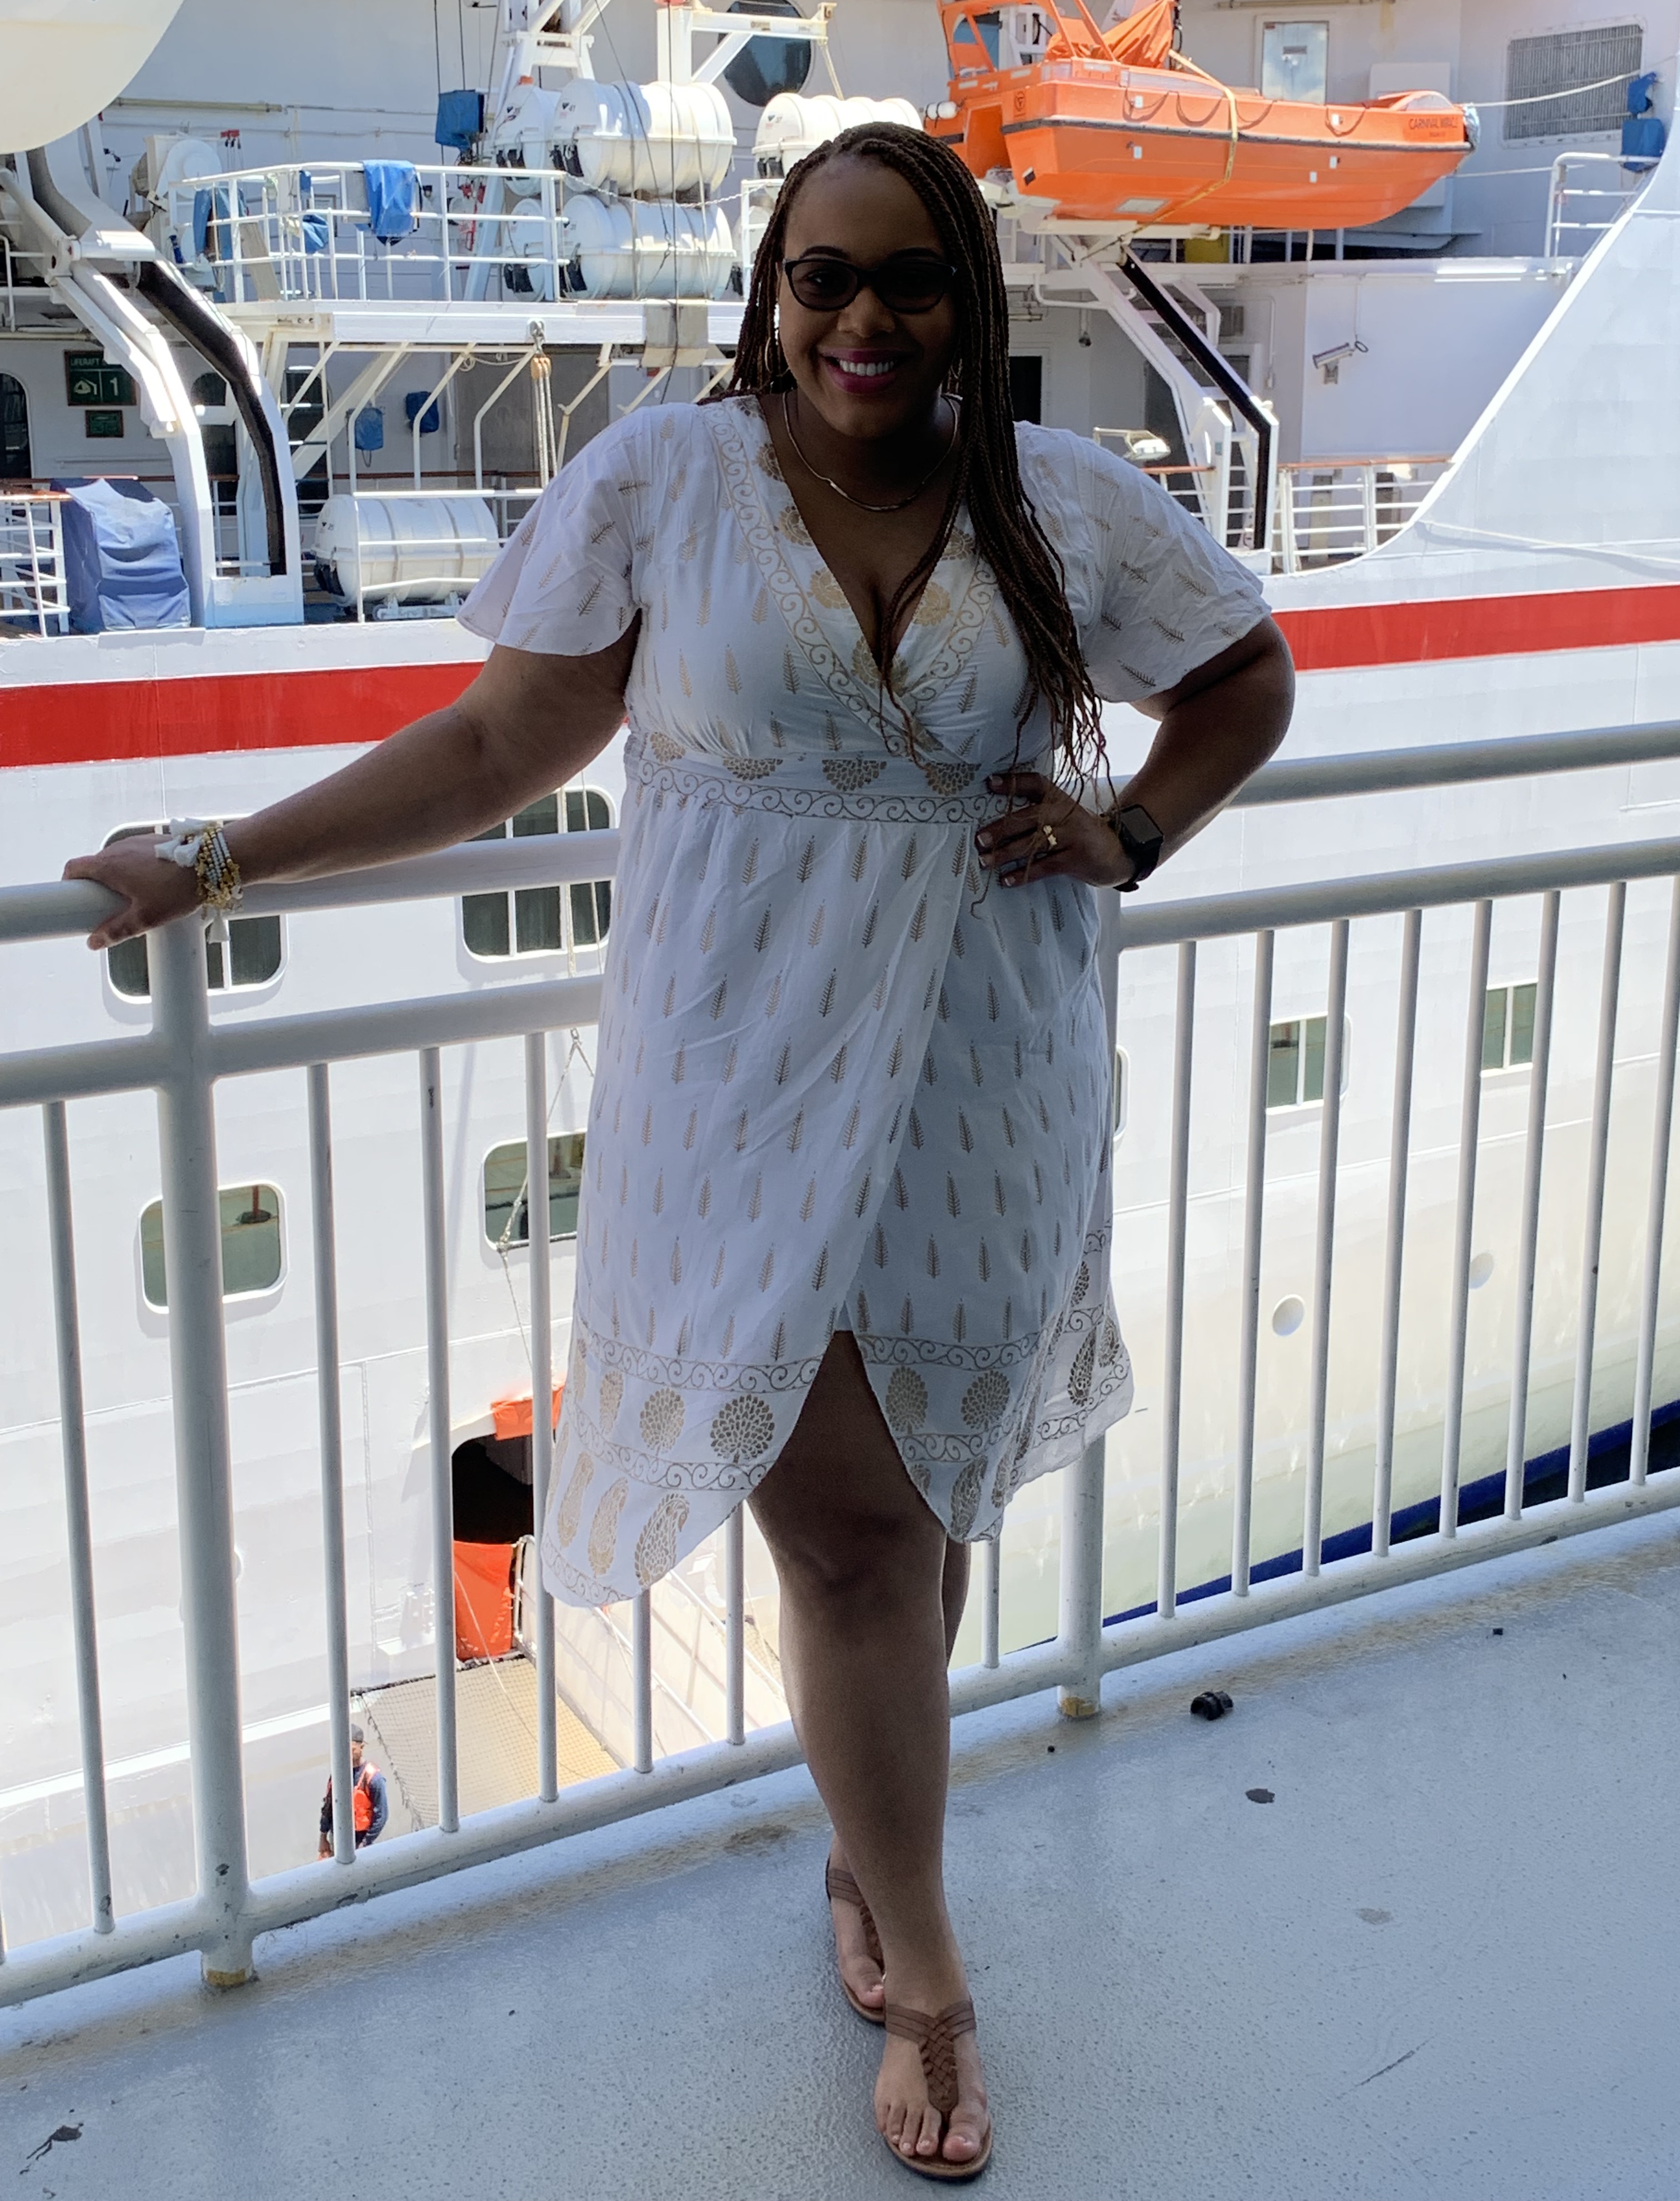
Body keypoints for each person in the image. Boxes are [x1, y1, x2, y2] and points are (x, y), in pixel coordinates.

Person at [68, 126, 1291, 2178]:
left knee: (918, 1505)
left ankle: (869, 1851)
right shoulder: (661, 478)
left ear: (968, 301)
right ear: (769, 292)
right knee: (848, 1536)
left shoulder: (1059, 499)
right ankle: (928, 1974)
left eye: (908, 280)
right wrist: (221, 857)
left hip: (984, 1068)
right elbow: (496, 743)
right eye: (822, 278)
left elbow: (1245, 676)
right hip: (733, 1082)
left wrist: (1133, 830)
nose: (861, 319)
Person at [318, 1724, 387, 1858]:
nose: (347, 1755)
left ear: (362, 1747)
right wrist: (323, 1837)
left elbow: (382, 1815)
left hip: (361, 1841)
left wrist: (365, 1844)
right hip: (338, 1839)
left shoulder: (373, 1778)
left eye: (352, 1750)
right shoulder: (338, 1773)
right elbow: (328, 1806)